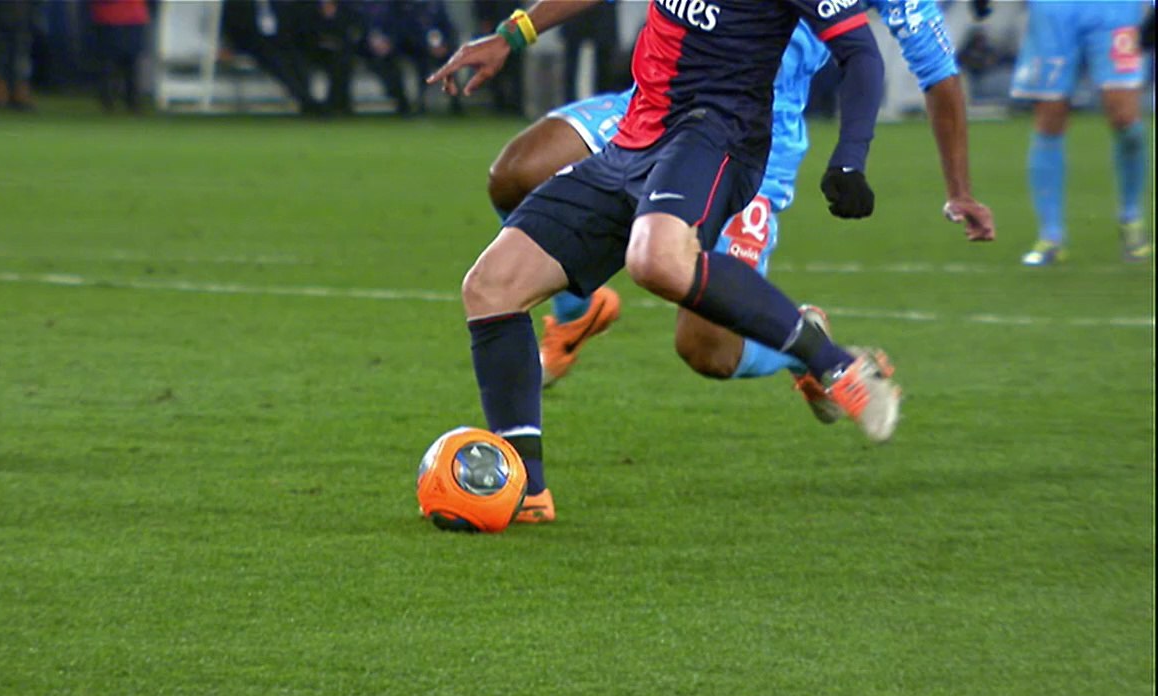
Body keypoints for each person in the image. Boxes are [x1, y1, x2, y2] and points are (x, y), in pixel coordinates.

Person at [428, 0, 899, 525]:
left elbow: (861, 52)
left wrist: (851, 157)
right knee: (491, 286)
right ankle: (526, 490)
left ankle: (835, 363)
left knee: (657, 261)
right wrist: (512, 35)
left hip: (717, 136)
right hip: (635, 136)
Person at [495, 0, 996, 410]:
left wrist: (960, 189)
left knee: (706, 349)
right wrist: (514, 32)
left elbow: (936, 72)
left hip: (752, 140)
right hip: (657, 105)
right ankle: (576, 315)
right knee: (517, 173)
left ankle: (804, 351)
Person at [1011, 0, 1151, 266]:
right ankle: (1051, 236)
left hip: (1115, 8)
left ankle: (1131, 218)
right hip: (1053, 9)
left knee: (1125, 117)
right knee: (1050, 114)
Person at [90, 0, 151, 113]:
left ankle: (112, 101)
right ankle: (129, 102)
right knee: (127, 63)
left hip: (116, 17)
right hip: (126, 17)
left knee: (113, 63)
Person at [0, 0, 38, 110]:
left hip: (19, 14)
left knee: (19, 53)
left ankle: (17, 93)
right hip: (0, 14)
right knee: (0, 51)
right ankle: (1, 93)